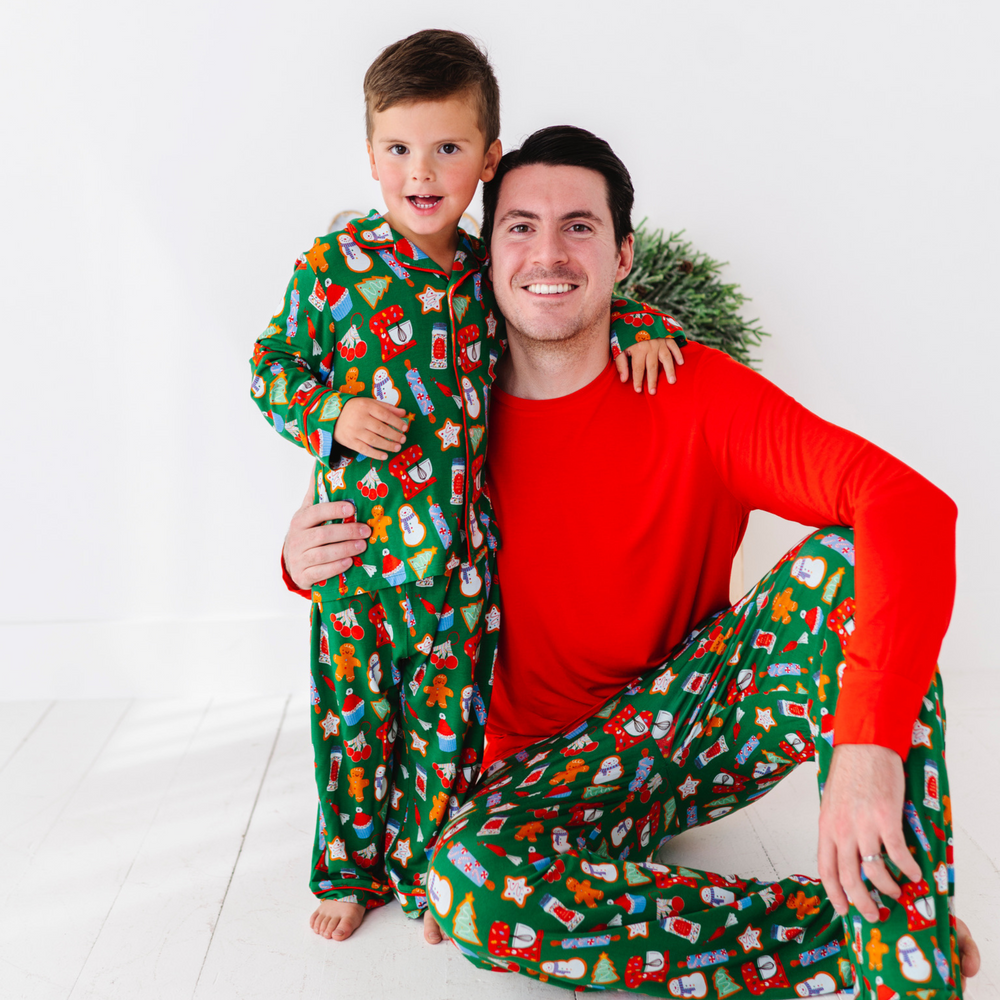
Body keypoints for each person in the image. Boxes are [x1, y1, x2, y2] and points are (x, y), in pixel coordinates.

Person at [285, 126, 981, 993]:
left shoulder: (688, 385)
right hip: (527, 779)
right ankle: (861, 932)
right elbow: (369, 545)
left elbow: (909, 506)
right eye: (520, 227)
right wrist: (302, 555)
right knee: (466, 885)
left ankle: (907, 969)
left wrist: (868, 745)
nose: (548, 251)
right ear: (484, 254)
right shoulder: (435, 409)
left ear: (623, 257)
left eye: (579, 227)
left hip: (689, 721)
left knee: (845, 565)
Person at [249, 33, 680, 944]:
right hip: (359, 568)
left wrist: (643, 326)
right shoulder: (334, 269)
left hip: (461, 572)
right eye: (400, 149)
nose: (421, 171)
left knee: (445, 737)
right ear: (371, 155)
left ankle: (423, 874)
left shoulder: (491, 268)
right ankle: (349, 871)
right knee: (355, 730)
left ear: (487, 158)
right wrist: (331, 413)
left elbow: (565, 289)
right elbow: (269, 370)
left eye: (447, 148)